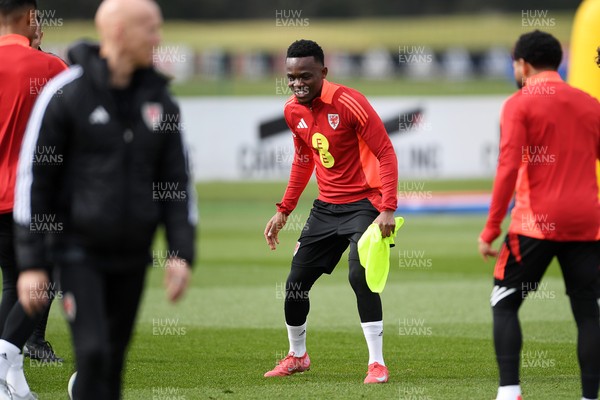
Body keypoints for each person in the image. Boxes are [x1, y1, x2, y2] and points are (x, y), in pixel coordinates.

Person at [13, 0, 197, 399]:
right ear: (118, 33)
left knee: (111, 361)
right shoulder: (66, 93)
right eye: (150, 29)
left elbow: (177, 183)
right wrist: (31, 263)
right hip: (78, 253)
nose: (158, 38)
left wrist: (181, 252)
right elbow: (35, 180)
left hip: (132, 256)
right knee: (93, 352)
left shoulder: (160, 100)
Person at [263, 39, 398, 384]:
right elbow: (304, 158)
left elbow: (385, 153)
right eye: (291, 77)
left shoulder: (350, 102)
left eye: (305, 76)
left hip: (364, 204)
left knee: (359, 274)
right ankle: (297, 356)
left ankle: (377, 364)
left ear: (323, 72)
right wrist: (284, 210)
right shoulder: (292, 111)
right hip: (326, 208)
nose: (297, 84)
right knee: (295, 284)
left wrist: (387, 208)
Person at [478, 30, 600, 400]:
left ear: (523, 64)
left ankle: (510, 391)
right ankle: (590, 396)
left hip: (535, 223)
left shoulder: (519, 103)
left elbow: (507, 167)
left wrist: (490, 229)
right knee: (589, 313)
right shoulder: (589, 103)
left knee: (504, 301)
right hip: (587, 223)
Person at [0, 0, 67, 398]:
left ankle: (14, 380)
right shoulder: (50, 68)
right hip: (31, 200)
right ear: (30, 17)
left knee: (14, 284)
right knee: (40, 282)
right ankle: (5, 361)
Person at [18, 10, 67, 366]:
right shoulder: (48, 68)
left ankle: (32, 337)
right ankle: (23, 340)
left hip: (41, 180)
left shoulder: (52, 67)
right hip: (26, 181)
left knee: (41, 265)